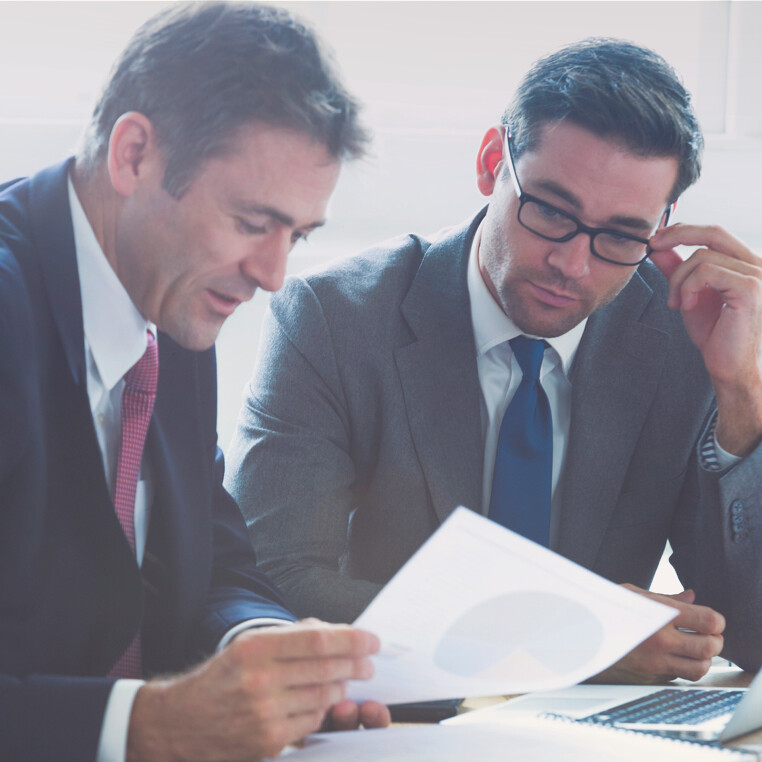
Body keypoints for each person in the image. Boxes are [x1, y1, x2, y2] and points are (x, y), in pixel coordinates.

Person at [226, 38, 762, 682]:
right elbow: (271, 583)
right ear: (490, 164)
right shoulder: (333, 319)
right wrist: (568, 641)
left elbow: (747, 636)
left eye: (621, 235)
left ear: (664, 225)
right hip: (397, 723)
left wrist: (744, 399)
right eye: (551, 212)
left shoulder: (685, 338)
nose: (573, 264)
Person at [0, 4, 392, 761]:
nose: (274, 276)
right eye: (252, 222)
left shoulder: (170, 299)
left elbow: (213, 558)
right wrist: (147, 726)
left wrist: (273, 655)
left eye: (298, 237)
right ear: (136, 154)